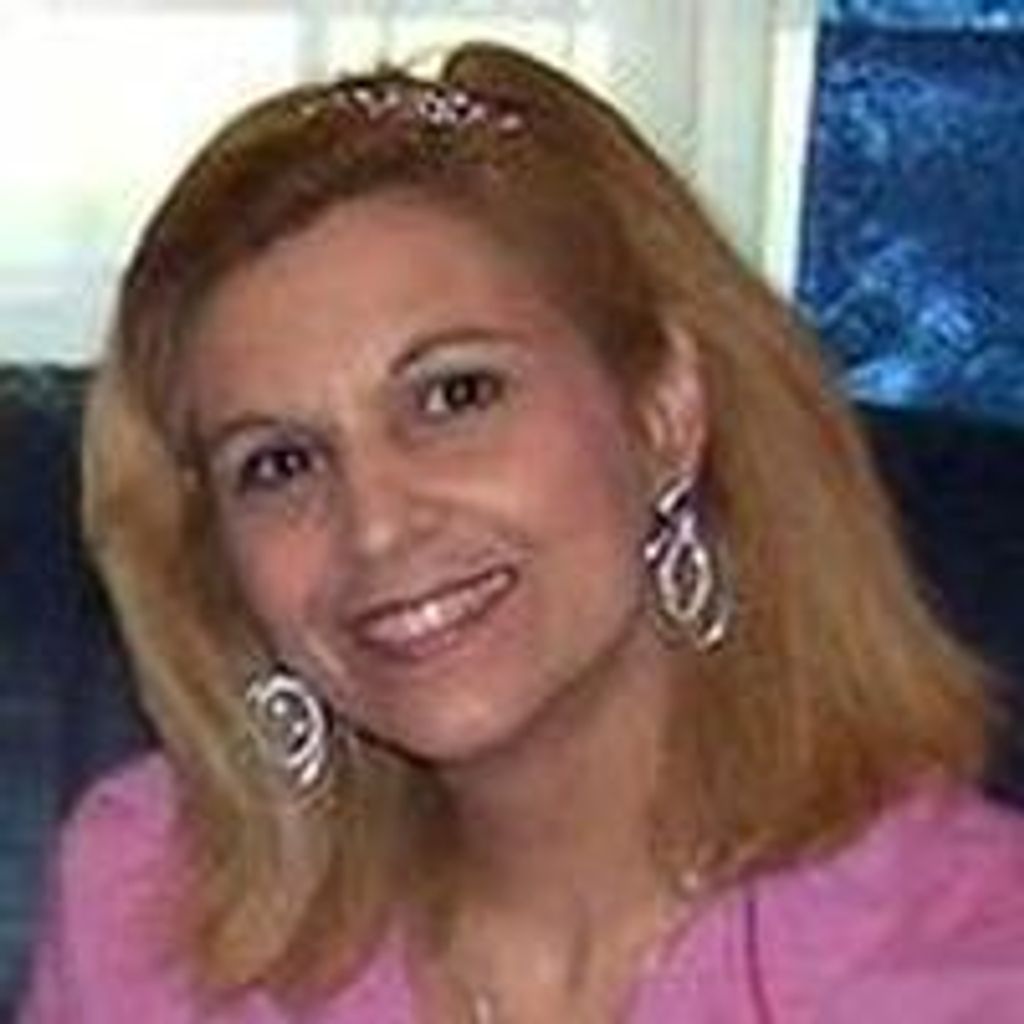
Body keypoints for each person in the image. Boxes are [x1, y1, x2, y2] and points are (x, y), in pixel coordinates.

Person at [17, 40, 1024, 1024]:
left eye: (454, 394)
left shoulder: (975, 959)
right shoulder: (144, 910)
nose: (376, 525)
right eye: (278, 462)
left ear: (662, 412)